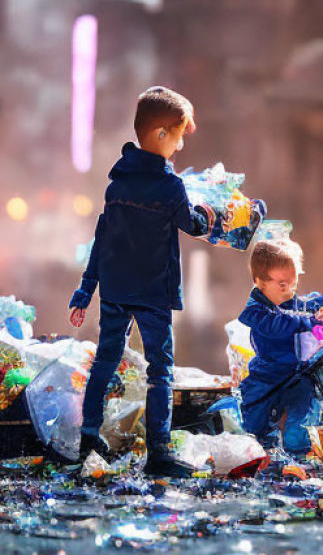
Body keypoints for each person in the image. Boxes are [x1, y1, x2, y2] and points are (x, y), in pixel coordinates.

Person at [69, 86, 211, 477]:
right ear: (162, 135)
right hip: (152, 294)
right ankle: (160, 451)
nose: (180, 146)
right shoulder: (170, 187)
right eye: (179, 136)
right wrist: (210, 216)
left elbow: (101, 238)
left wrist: (86, 289)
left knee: (105, 361)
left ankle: (87, 437)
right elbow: (192, 224)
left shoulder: (116, 186)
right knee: (160, 369)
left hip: (114, 290)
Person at [238, 239, 323, 456]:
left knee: (299, 431)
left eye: (293, 284)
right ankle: (266, 445)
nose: (289, 291)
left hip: (300, 377)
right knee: (252, 430)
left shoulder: (299, 304)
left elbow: (316, 309)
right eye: (282, 284)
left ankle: (299, 451)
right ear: (259, 281)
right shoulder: (256, 310)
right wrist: (309, 321)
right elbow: (279, 324)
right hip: (267, 377)